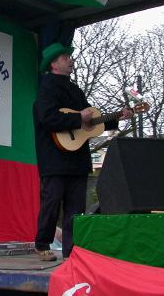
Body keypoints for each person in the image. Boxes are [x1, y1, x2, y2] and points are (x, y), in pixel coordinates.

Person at [33, 42, 133, 261]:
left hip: (77, 159)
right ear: (54, 64)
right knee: (52, 201)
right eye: (65, 57)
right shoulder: (47, 87)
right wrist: (79, 117)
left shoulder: (75, 90)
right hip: (55, 158)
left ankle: (72, 250)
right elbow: (48, 118)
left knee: (76, 208)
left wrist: (117, 118)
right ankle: (42, 244)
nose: (71, 60)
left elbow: (92, 123)